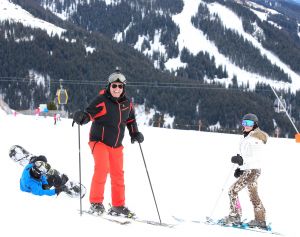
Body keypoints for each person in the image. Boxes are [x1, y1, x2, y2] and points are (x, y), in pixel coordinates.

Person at [72, 68, 144, 218]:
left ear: (123, 88)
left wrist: (135, 133)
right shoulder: (102, 100)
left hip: (116, 144)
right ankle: (96, 203)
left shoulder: (127, 104)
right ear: (109, 86)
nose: (117, 89)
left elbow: (130, 120)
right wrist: (82, 117)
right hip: (99, 141)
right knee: (102, 168)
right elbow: (89, 114)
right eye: (114, 86)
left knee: (118, 174)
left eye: (120, 86)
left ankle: (118, 206)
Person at [223, 113, 268, 229]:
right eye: (244, 123)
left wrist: (242, 160)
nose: (246, 126)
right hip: (250, 169)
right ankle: (260, 220)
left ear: (255, 125)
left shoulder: (256, 138)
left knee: (232, 191)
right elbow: (247, 156)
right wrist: (240, 168)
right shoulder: (248, 136)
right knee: (253, 194)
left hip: (252, 170)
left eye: (249, 123)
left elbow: (256, 157)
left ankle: (235, 216)